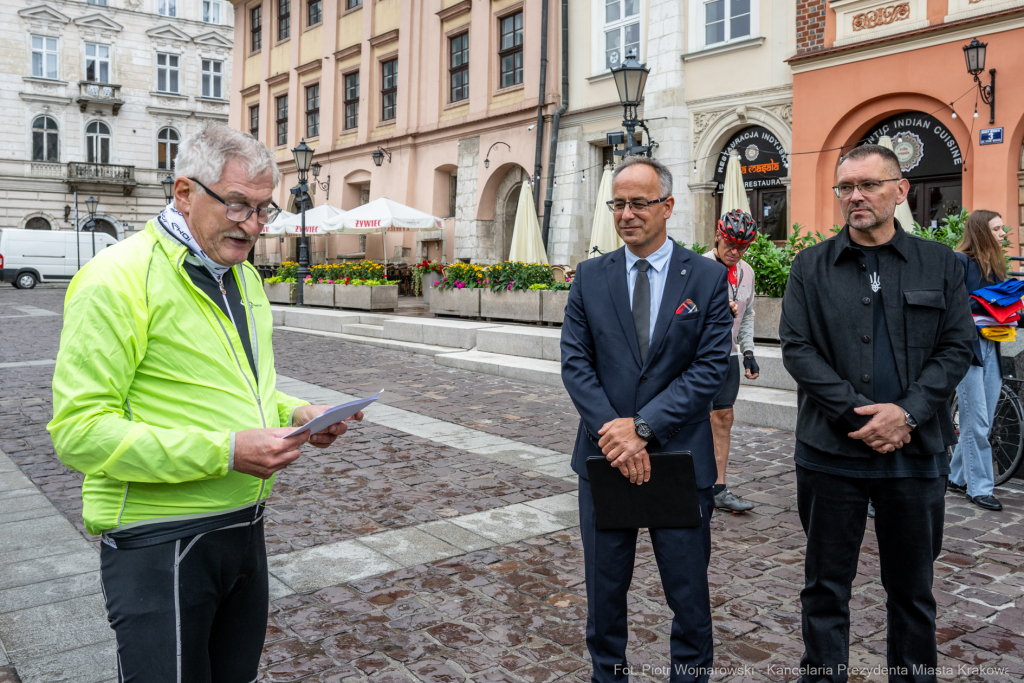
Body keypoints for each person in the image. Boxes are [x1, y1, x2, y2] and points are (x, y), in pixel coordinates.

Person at [48, 125, 363, 682]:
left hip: (245, 527)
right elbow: (79, 430)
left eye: (264, 210)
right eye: (238, 204)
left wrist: (295, 413)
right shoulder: (117, 279)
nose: (254, 225)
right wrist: (224, 452)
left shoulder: (240, 278)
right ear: (184, 193)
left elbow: (235, 384)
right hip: (160, 538)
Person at [779, 143, 974, 683]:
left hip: (916, 456)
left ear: (900, 190)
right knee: (824, 587)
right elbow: (797, 349)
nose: (855, 197)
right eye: (846, 187)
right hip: (829, 453)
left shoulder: (941, 265)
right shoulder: (810, 267)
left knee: (913, 589)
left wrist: (906, 415)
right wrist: (859, 418)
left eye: (868, 185)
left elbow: (957, 347)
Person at [561, 155, 733, 683]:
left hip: (679, 460)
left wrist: (642, 428)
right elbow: (575, 363)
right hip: (605, 458)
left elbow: (709, 369)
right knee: (605, 593)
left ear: (668, 206)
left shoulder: (705, 277)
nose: (626, 214)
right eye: (619, 203)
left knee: (689, 594)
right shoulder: (591, 276)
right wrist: (616, 435)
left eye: (639, 203)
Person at [949, 210, 1010, 511]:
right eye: (997, 229)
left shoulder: (996, 267)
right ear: (982, 232)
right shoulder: (960, 262)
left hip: (992, 346)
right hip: (967, 350)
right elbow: (953, 305)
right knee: (977, 421)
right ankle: (979, 488)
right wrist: (988, 302)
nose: (1003, 234)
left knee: (981, 422)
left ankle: (957, 475)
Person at [703, 209, 759, 513]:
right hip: (697, 359)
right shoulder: (697, 266)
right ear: (717, 235)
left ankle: (719, 489)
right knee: (692, 421)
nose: (735, 251)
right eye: (730, 244)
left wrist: (748, 351)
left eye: (742, 246)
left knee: (723, 419)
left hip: (728, 357)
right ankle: (689, 483)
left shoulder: (746, 272)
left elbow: (747, 313)